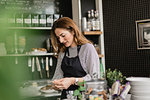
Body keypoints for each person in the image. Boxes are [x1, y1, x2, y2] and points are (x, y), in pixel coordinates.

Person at [51, 17, 100, 99]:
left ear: (72, 31)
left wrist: (72, 81)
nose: (61, 41)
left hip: (84, 96)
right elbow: (58, 75)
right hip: (66, 97)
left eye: (63, 35)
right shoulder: (62, 52)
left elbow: (94, 78)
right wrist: (56, 84)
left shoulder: (87, 48)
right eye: (58, 37)